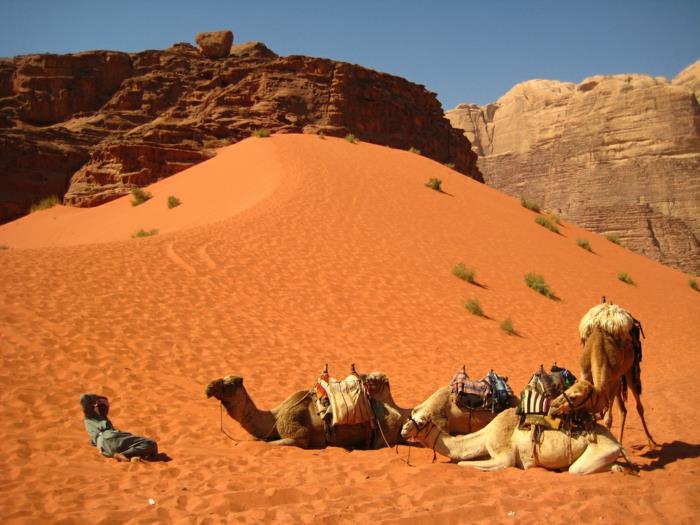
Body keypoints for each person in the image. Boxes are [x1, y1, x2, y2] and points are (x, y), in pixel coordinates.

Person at [80, 394, 158, 462]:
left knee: (129, 444)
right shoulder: (100, 417)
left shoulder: (87, 421)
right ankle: (125, 454)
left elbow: (94, 439)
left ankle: (130, 456)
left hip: (105, 450)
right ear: (95, 405)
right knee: (151, 443)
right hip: (112, 438)